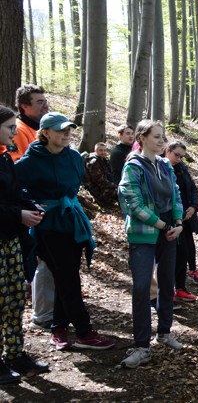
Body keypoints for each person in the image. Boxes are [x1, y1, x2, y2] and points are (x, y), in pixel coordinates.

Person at [15, 112, 116, 352]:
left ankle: (58, 328)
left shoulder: (73, 156)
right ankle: (84, 331)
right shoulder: (29, 161)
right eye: (61, 130)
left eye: (69, 129)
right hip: (48, 226)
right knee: (67, 276)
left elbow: (75, 184)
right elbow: (15, 189)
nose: (67, 133)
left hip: (71, 221)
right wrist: (33, 206)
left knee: (66, 274)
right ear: (46, 133)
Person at [117, 120, 184, 368]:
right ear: (142, 137)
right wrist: (163, 226)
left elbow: (176, 194)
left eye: (162, 137)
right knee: (142, 287)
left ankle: (165, 332)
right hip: (144, 233)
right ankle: (142, 346)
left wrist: (177, 222)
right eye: (156, 136)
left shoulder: (165, 164)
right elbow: (134, 204)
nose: (161, 141)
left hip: (169, 231)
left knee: (168, 283)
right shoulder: (132, 167)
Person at [0, 105, 49, 382]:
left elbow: (16, 191)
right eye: (8, 127)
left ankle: (15, 353)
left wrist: (30, 206)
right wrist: (18, 214)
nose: (13, 132)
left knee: (16, 296)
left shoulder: (5, 158)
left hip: (10, 241)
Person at [3, 85, 55, 332]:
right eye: (39, 102)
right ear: (24, 106)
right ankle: (42, 311)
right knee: (40, 257)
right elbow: (18, 173)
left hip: (36, 205)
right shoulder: (21, 131)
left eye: (45, 101)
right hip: (23, 208)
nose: (45, 105)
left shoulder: (39, 129)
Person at [164, 141, 198, 300]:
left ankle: (180, 287)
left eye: (181, 156)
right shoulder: (161, 168)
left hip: (185, 217)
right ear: (167, 151)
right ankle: (169, 289)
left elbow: (192, 188)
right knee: (171, 255)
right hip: (169, 218)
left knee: (184, 253)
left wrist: (193, 206)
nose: (178, 159)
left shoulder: (182, 169)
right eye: (176, 155)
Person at [83, 142, 117, 207]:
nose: (103, 152)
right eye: (101, 150)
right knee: (118, 191)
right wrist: (114, 185)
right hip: (95, 189)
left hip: (103, 185)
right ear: (95, 151)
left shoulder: (104, 159)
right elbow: (100, 181)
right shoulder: (94, 162)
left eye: (104, 150)